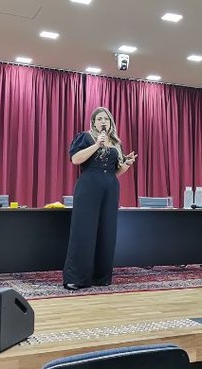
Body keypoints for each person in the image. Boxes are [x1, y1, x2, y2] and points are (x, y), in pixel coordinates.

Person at [63, 107, 137, 290]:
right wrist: (97, 145)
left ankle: (101, 277)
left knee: (107, 231)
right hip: (88, 187)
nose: (103, 122)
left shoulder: (116, 143)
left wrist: (126, 165)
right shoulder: (86, 137)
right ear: (93, 122)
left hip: (110, 188)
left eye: (106, 119)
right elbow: (75, 159)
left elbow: (116, 171)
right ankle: (76, 278)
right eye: (99, 119)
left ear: (111, 123)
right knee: (84, 231)